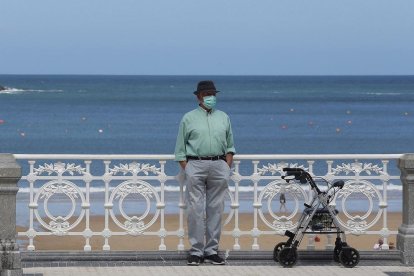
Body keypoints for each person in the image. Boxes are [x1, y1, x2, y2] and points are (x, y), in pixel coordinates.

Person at [174, 80, 236, 266]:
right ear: (198, 96)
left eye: (213, 95)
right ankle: (196, 251)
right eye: (207, 95)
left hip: (219, 165)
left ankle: (211, 251)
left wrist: (226, 165)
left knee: (216, 209)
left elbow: (230, 144)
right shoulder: (188, 118)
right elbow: (180, 148)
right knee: (195, 210)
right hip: (196, 165)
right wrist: (189, 167)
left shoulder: (224, 117)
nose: (211, 98)